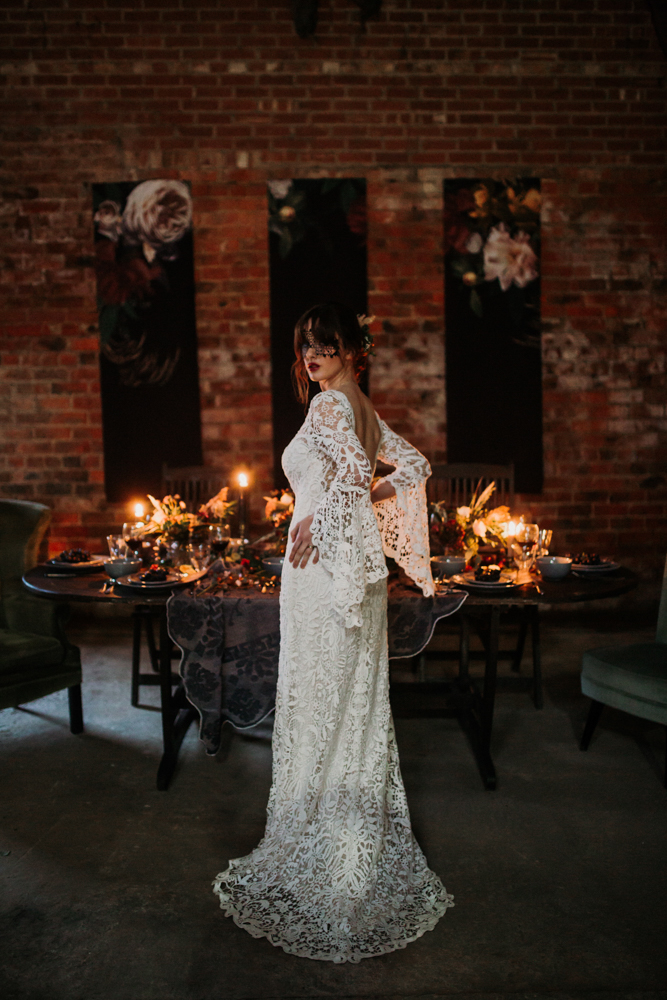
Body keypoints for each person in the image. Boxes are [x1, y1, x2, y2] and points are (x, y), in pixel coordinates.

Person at [213, 302, 454, 962]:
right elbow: (409, 471)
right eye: (305, 348)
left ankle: (324, 854)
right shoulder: (362, 408)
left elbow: (352, 477)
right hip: (356, 577)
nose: (312, 357)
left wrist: (316, 521)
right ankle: (348, 847)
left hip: (325, 576)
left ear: (353, 348)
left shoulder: (329, 408)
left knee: (322, 705)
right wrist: (344, 510)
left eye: (324, 346)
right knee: (352, 708)